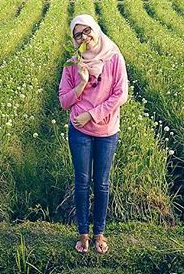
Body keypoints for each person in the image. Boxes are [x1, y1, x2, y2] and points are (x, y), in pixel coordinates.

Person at [58, 14, 129, 255]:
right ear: (74, 40)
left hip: (107, 130)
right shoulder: (72, 64)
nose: (84, 38)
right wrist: (81, 82)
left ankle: (99, 232)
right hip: (79, 132)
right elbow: (63, 101)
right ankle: (83, 235)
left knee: (102, 184)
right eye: (78, 35)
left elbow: (120, 94)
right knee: (81, 183)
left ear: (95, 30)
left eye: (87, 31)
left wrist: (92, 115)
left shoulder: (113, 57)